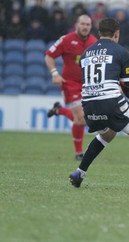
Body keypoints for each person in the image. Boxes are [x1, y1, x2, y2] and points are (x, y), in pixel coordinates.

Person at [68, 18, 129, 191]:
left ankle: (79, 173)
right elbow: (127, 87)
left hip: (88, 104)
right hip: (110, 101)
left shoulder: (86, 53)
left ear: (98, 33)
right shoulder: (121, 51)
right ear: (117, 34)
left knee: (107, 134)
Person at [45, 15, 97, 160]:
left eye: (88, 24)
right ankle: (79, 153)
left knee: (81, 119)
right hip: (70, 84)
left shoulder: (95, 42)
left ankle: (59, 110)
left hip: (89, 85)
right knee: (81, 119)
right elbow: (49, 56)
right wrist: (55, 73)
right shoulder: (66, 40)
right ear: (76, 25)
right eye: (83, 24)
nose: (85, 27)